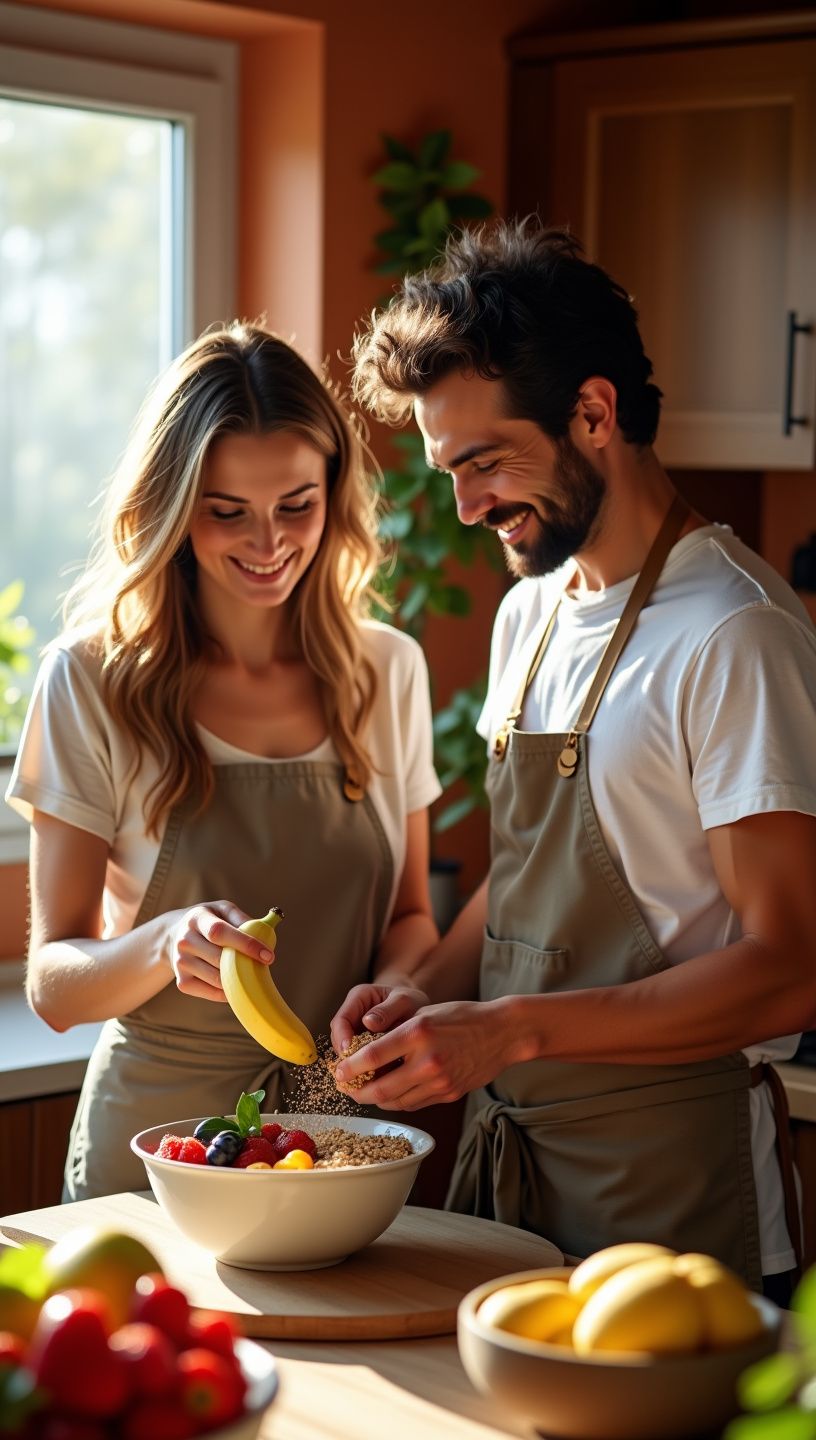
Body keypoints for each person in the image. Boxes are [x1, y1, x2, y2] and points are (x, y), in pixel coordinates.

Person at [330, 220, 816, 1300]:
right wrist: (419, 994)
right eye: (444, 470)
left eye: (484, 462)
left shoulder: (732, 634)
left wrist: (505, 1031)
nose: (464, 508)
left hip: (676, 1202)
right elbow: (536, 880)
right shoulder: (531, 614)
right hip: (516, 1187)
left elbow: (792, 963)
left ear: (593, 414)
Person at [6, 322, 441, 1201]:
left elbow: (411, 916)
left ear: (334, 492)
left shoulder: (386, 670)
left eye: (297, 504)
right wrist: (164, 943)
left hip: (336, 1136)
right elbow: (53, 981)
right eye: (226, 510)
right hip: (157, 1148)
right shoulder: (91, 681)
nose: (269, 541)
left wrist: (395, 995)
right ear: (171, 508)